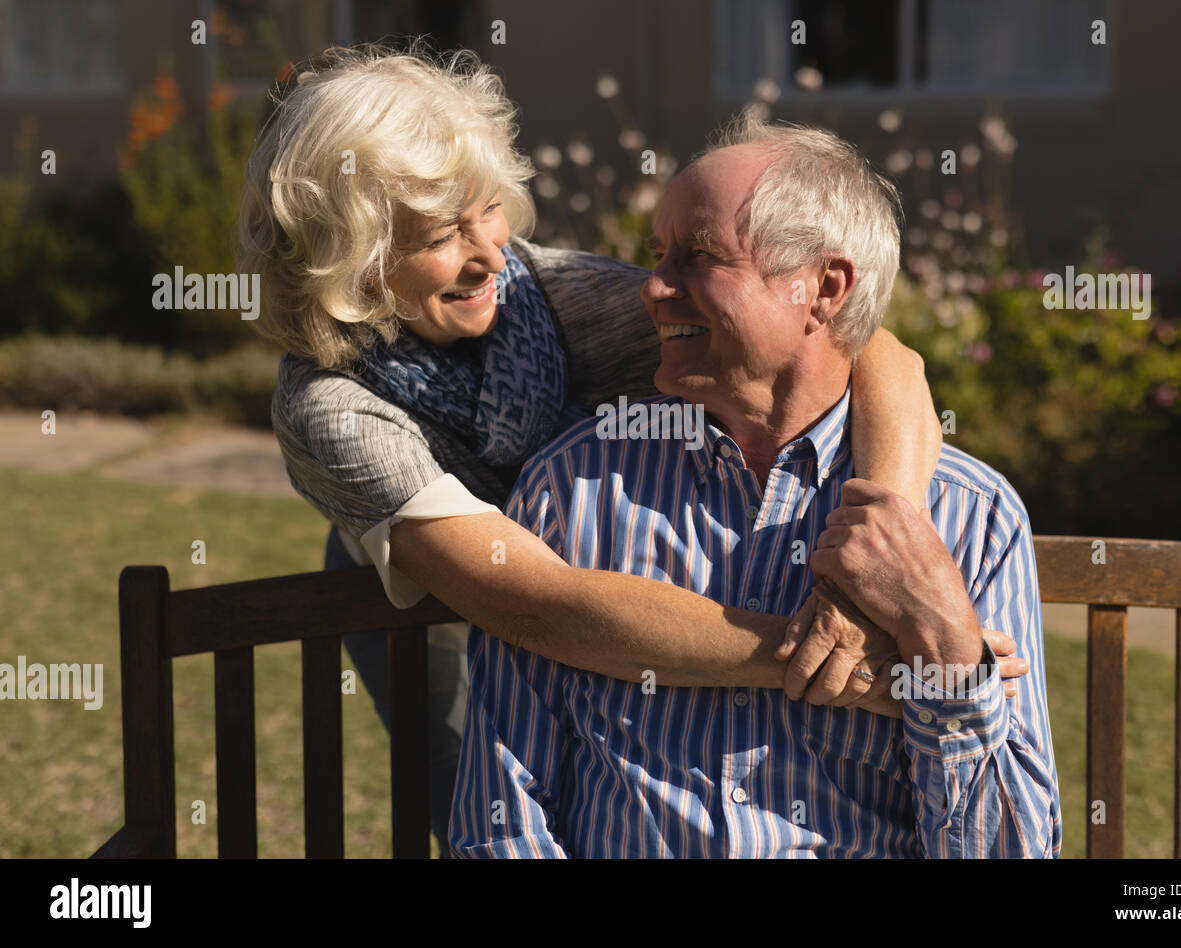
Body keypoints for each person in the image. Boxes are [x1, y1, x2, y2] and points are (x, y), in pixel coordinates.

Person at [237, 43, 1026, 855]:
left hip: (601, 574)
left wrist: (871, 566)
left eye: (488, 210)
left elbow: (870, 351)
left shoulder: (554, 295)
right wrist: (838, 665)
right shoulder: (330, 408)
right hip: (452, 606)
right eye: (444, 234)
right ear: (355, 253)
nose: (489, 252)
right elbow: (540, 604)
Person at [449, 118, 1061, 858]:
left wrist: (946, 643)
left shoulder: (969, 517)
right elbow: (501, 820)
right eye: (658, 255)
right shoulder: (575, 487)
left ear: (825, 289)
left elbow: (1010, 850)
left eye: (700, 256)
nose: (653, 287)